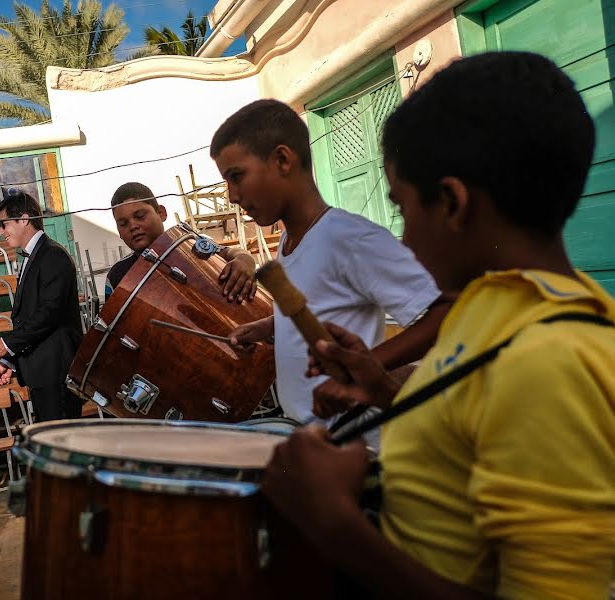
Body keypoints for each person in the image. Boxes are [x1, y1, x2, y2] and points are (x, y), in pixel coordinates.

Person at [263, 51, 615, 599]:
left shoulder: (550, 361)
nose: (403, 241)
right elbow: (471, 415)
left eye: (403, 211)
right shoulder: (494, 301)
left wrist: (336, 525)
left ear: (452, 203)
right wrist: (381, 386)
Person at [214, 99, 452, 434]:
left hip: (355, 438)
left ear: (283, 160)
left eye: (236, 176)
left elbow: (443, 316)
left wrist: (364, 369)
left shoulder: (349, 238)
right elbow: (318, 304)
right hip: (306, 427)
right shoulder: (289, 241)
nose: (232, 195)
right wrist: (268, 327)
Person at [0, 191, 84, 422]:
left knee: (64, 447)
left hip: (56, 371)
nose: (1, 232)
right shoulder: (33, 256)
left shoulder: (53, 255)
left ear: (24, 219)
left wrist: (5, 345)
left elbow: (49, 314)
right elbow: (28, 318)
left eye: (4, 224)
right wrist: (10, 361)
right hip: (40, 372)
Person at [105, 181, 258, 303]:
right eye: (123, 223)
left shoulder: (188, 244)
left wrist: (245, 260)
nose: (133, 226)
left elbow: (229, 252)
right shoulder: (117, 275)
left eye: (139, 216)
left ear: (161, 213)